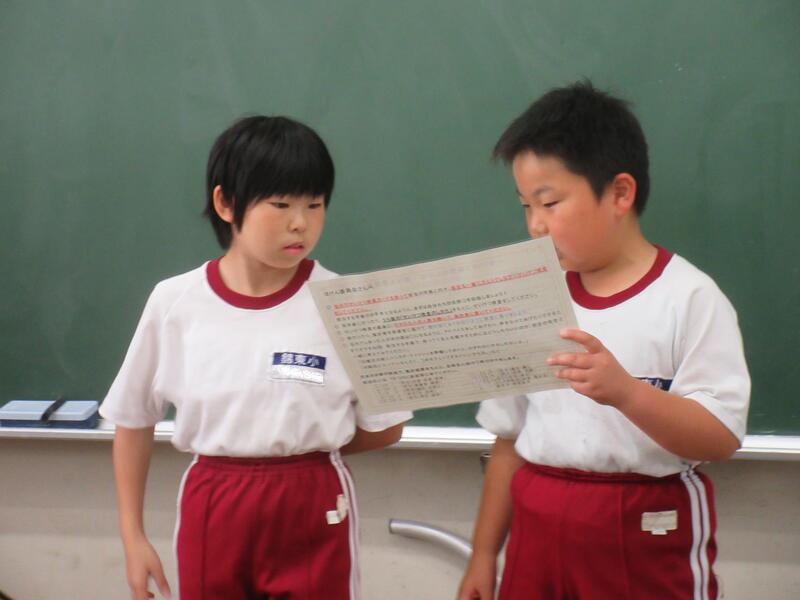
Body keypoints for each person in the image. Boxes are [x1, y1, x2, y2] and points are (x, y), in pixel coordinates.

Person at [457, 82, 749, 600]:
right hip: (537, 526)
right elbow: (508, 440)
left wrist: (627, 393)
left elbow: (720, 437)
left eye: (550, 203)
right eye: (525, 206)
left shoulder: (689, 298)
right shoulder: (532, 297)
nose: (535, 225)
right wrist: (482, 555)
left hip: (643, 528)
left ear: (619, 194)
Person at [100, 115, 411, 600]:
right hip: (213, 499)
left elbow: (386, 427)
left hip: (312, 500)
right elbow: (132, 420)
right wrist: (132, 535)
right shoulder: (175, 302)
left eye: (315, 204)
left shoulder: (345, 303)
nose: (300, 223)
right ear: (226, 203)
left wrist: (301, 444)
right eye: (281, 204)